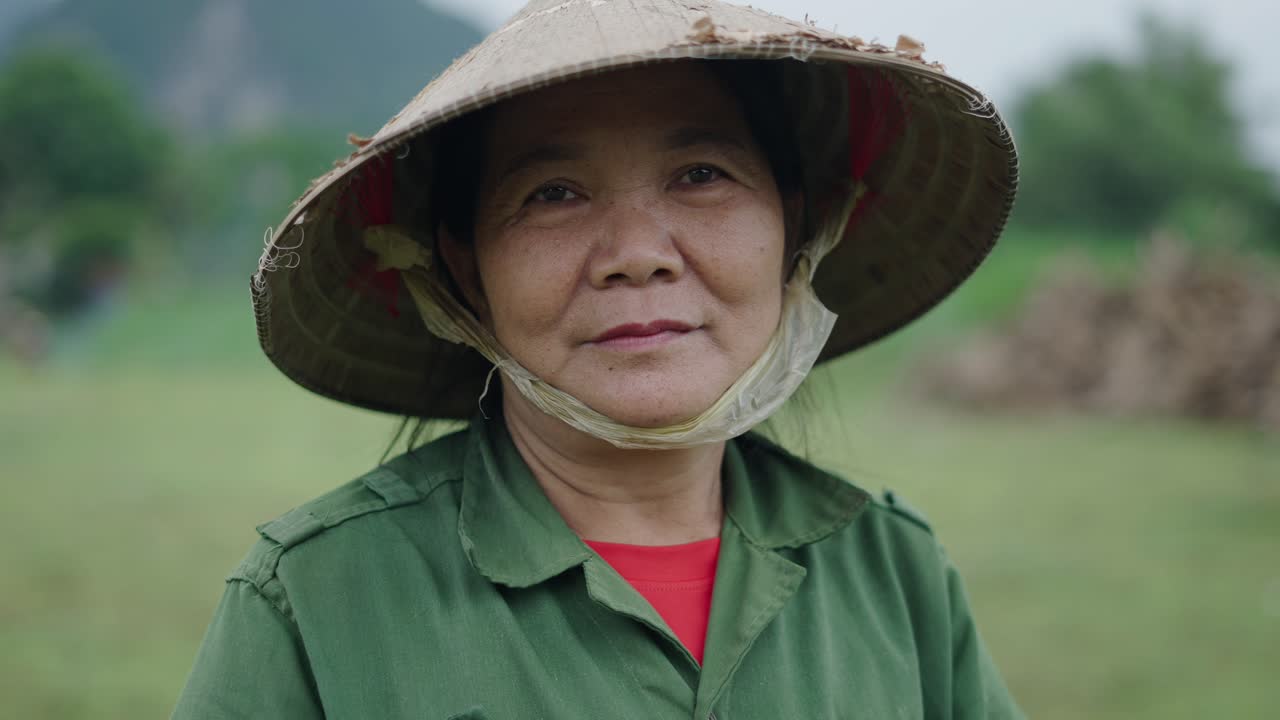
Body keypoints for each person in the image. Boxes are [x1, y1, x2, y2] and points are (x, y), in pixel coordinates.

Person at [173, 0, 1021, 717]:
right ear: (466, 269)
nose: (637, 253)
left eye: (701, 174)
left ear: (792, 229)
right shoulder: (317, 602)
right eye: (554, 194)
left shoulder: (898, 576)